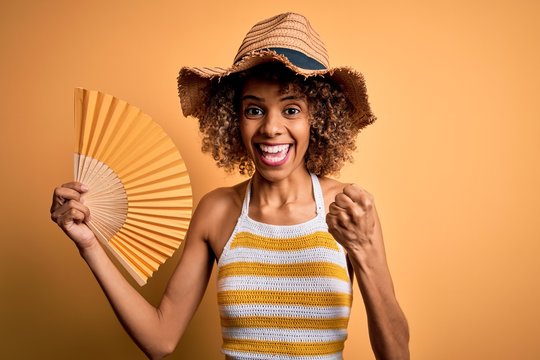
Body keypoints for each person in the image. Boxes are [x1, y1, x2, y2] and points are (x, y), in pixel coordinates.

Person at [50, 12, 409, 360]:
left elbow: (396, 355)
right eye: (254, 110)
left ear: (317, 118)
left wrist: (363, 252)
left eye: (291, 109)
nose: (270, 128)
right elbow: (160, 340)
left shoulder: (346, 211)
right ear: (232, 119)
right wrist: (90, 246)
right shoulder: (216, 211)